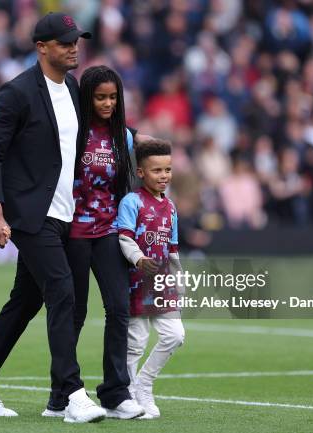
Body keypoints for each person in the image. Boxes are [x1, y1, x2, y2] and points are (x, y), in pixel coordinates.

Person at [0, 13, 116, 423]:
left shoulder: (75, 87)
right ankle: (72, 393)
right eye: (64, 42)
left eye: (76, 40)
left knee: (24, 303)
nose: (73, 47)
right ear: (41, 47)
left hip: (66, 213)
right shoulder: (17, 93)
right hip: (31, 214)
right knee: (63, 290)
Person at [44, 65, 144, 419]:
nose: (107, 103)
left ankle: (116, 393)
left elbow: (132, 184)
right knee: (74, 313)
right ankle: (61, 397)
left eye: (113, 97)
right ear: (87, 97)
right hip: (72, 233)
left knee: (119, 308)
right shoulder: (73, 132)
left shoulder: (125, 138)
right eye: (100, 97)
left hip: (109, 233)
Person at [116, 139, 186, 419]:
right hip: (136, 283)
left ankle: (144, 384)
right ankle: (131, 395)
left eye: (167, 169)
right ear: (141, 172)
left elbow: (172, 248)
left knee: (176, 335)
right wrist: (138, 259)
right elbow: (125, 237)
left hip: (162, 285)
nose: (164, 176)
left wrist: (179, 280)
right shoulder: (131, 202)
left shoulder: (170, 207)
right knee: (136, 343)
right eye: (157, 170)